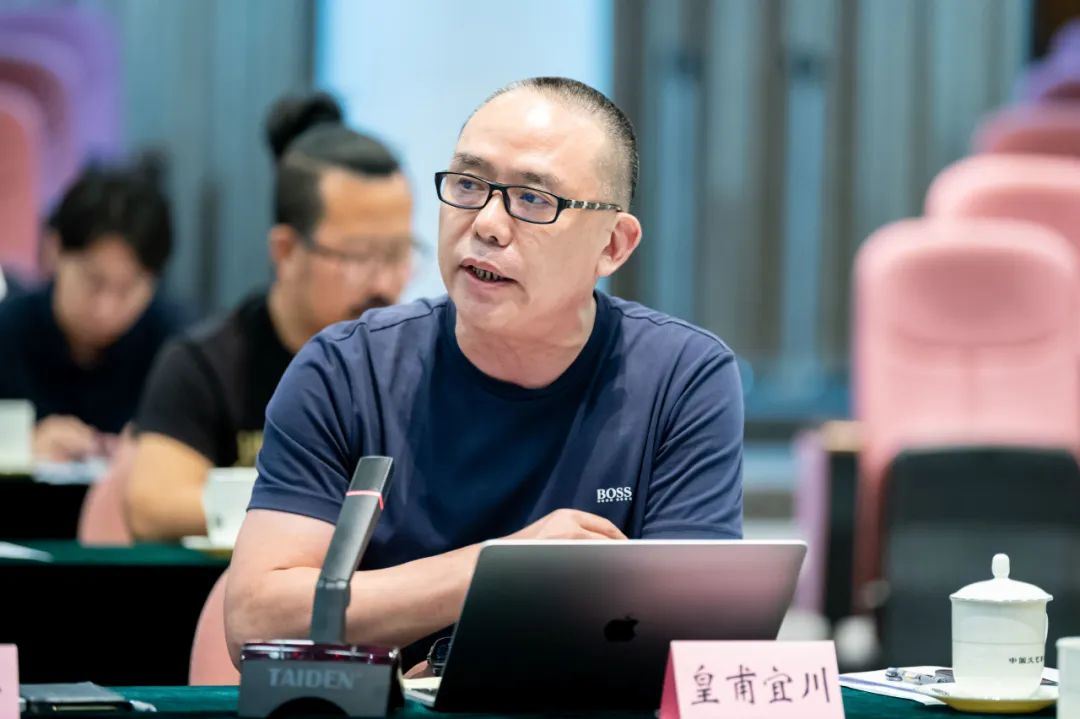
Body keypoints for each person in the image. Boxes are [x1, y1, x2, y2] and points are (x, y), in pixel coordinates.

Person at [226, 77, 744, 665]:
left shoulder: (682, 378)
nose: (487, 224)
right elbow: (256, 622)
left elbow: (694, 640)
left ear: (613, 246)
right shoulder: (345, 371)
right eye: (469, 185)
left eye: (534, 200)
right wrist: (503, 568)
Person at [125, 93, 414, 541]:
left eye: (398, 254)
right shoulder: (209, 365)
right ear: (286, 251)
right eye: (358, 256)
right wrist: (317, 507)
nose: (383, 283)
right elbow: (153, 507)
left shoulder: (417, 365)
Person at [0, 164, 183, 461]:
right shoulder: (7, 332)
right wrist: (17, 449)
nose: (105, 309)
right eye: (93, 281)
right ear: (54, 250)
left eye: (127, 289)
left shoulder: (177, 349)